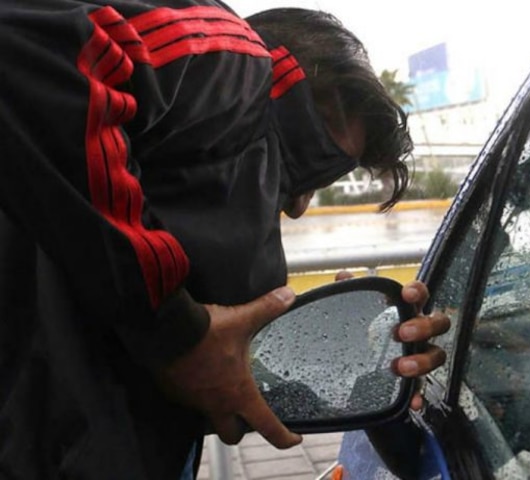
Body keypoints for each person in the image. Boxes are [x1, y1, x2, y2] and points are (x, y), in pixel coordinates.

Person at [0, 1, 450, 479]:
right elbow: (23, 46)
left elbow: (203, 369)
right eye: (310, 160)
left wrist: (366, 364)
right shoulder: (238, 62)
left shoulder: (167, 225)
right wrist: (174, 329)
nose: (297, 208)